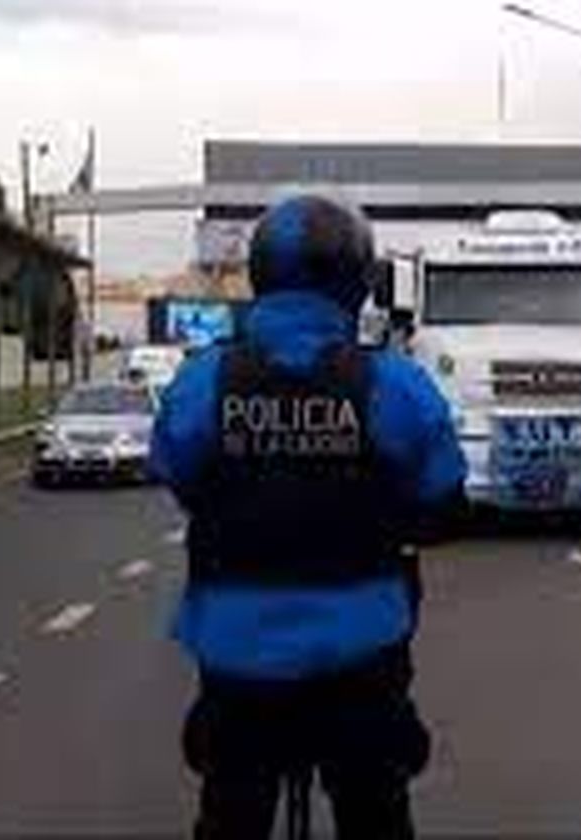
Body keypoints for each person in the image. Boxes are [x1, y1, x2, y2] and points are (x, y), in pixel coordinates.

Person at [150, 195, 467, 840]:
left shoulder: (202, 381)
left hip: (237, 659)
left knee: (230, 813)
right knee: (376, 811)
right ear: (356, 285)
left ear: (261, 277)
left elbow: (177, 475)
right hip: (363, 655)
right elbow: (443, 500)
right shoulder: (396, 385)